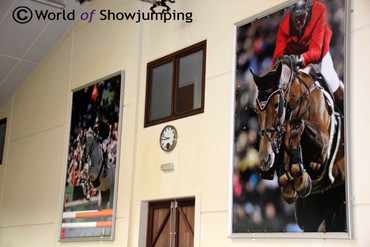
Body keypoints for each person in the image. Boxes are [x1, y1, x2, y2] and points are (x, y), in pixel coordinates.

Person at [272, 0, 344, 113]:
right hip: (296, 56)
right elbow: (277, 57)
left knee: (330, 80)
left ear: (308, 12)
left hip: (318, 52)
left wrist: (299, 59)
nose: (299, 21)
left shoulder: (319, 11)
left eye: (302, 16)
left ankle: (345, 114)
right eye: (296, 17)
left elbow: (316, 51)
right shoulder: (284, 26)